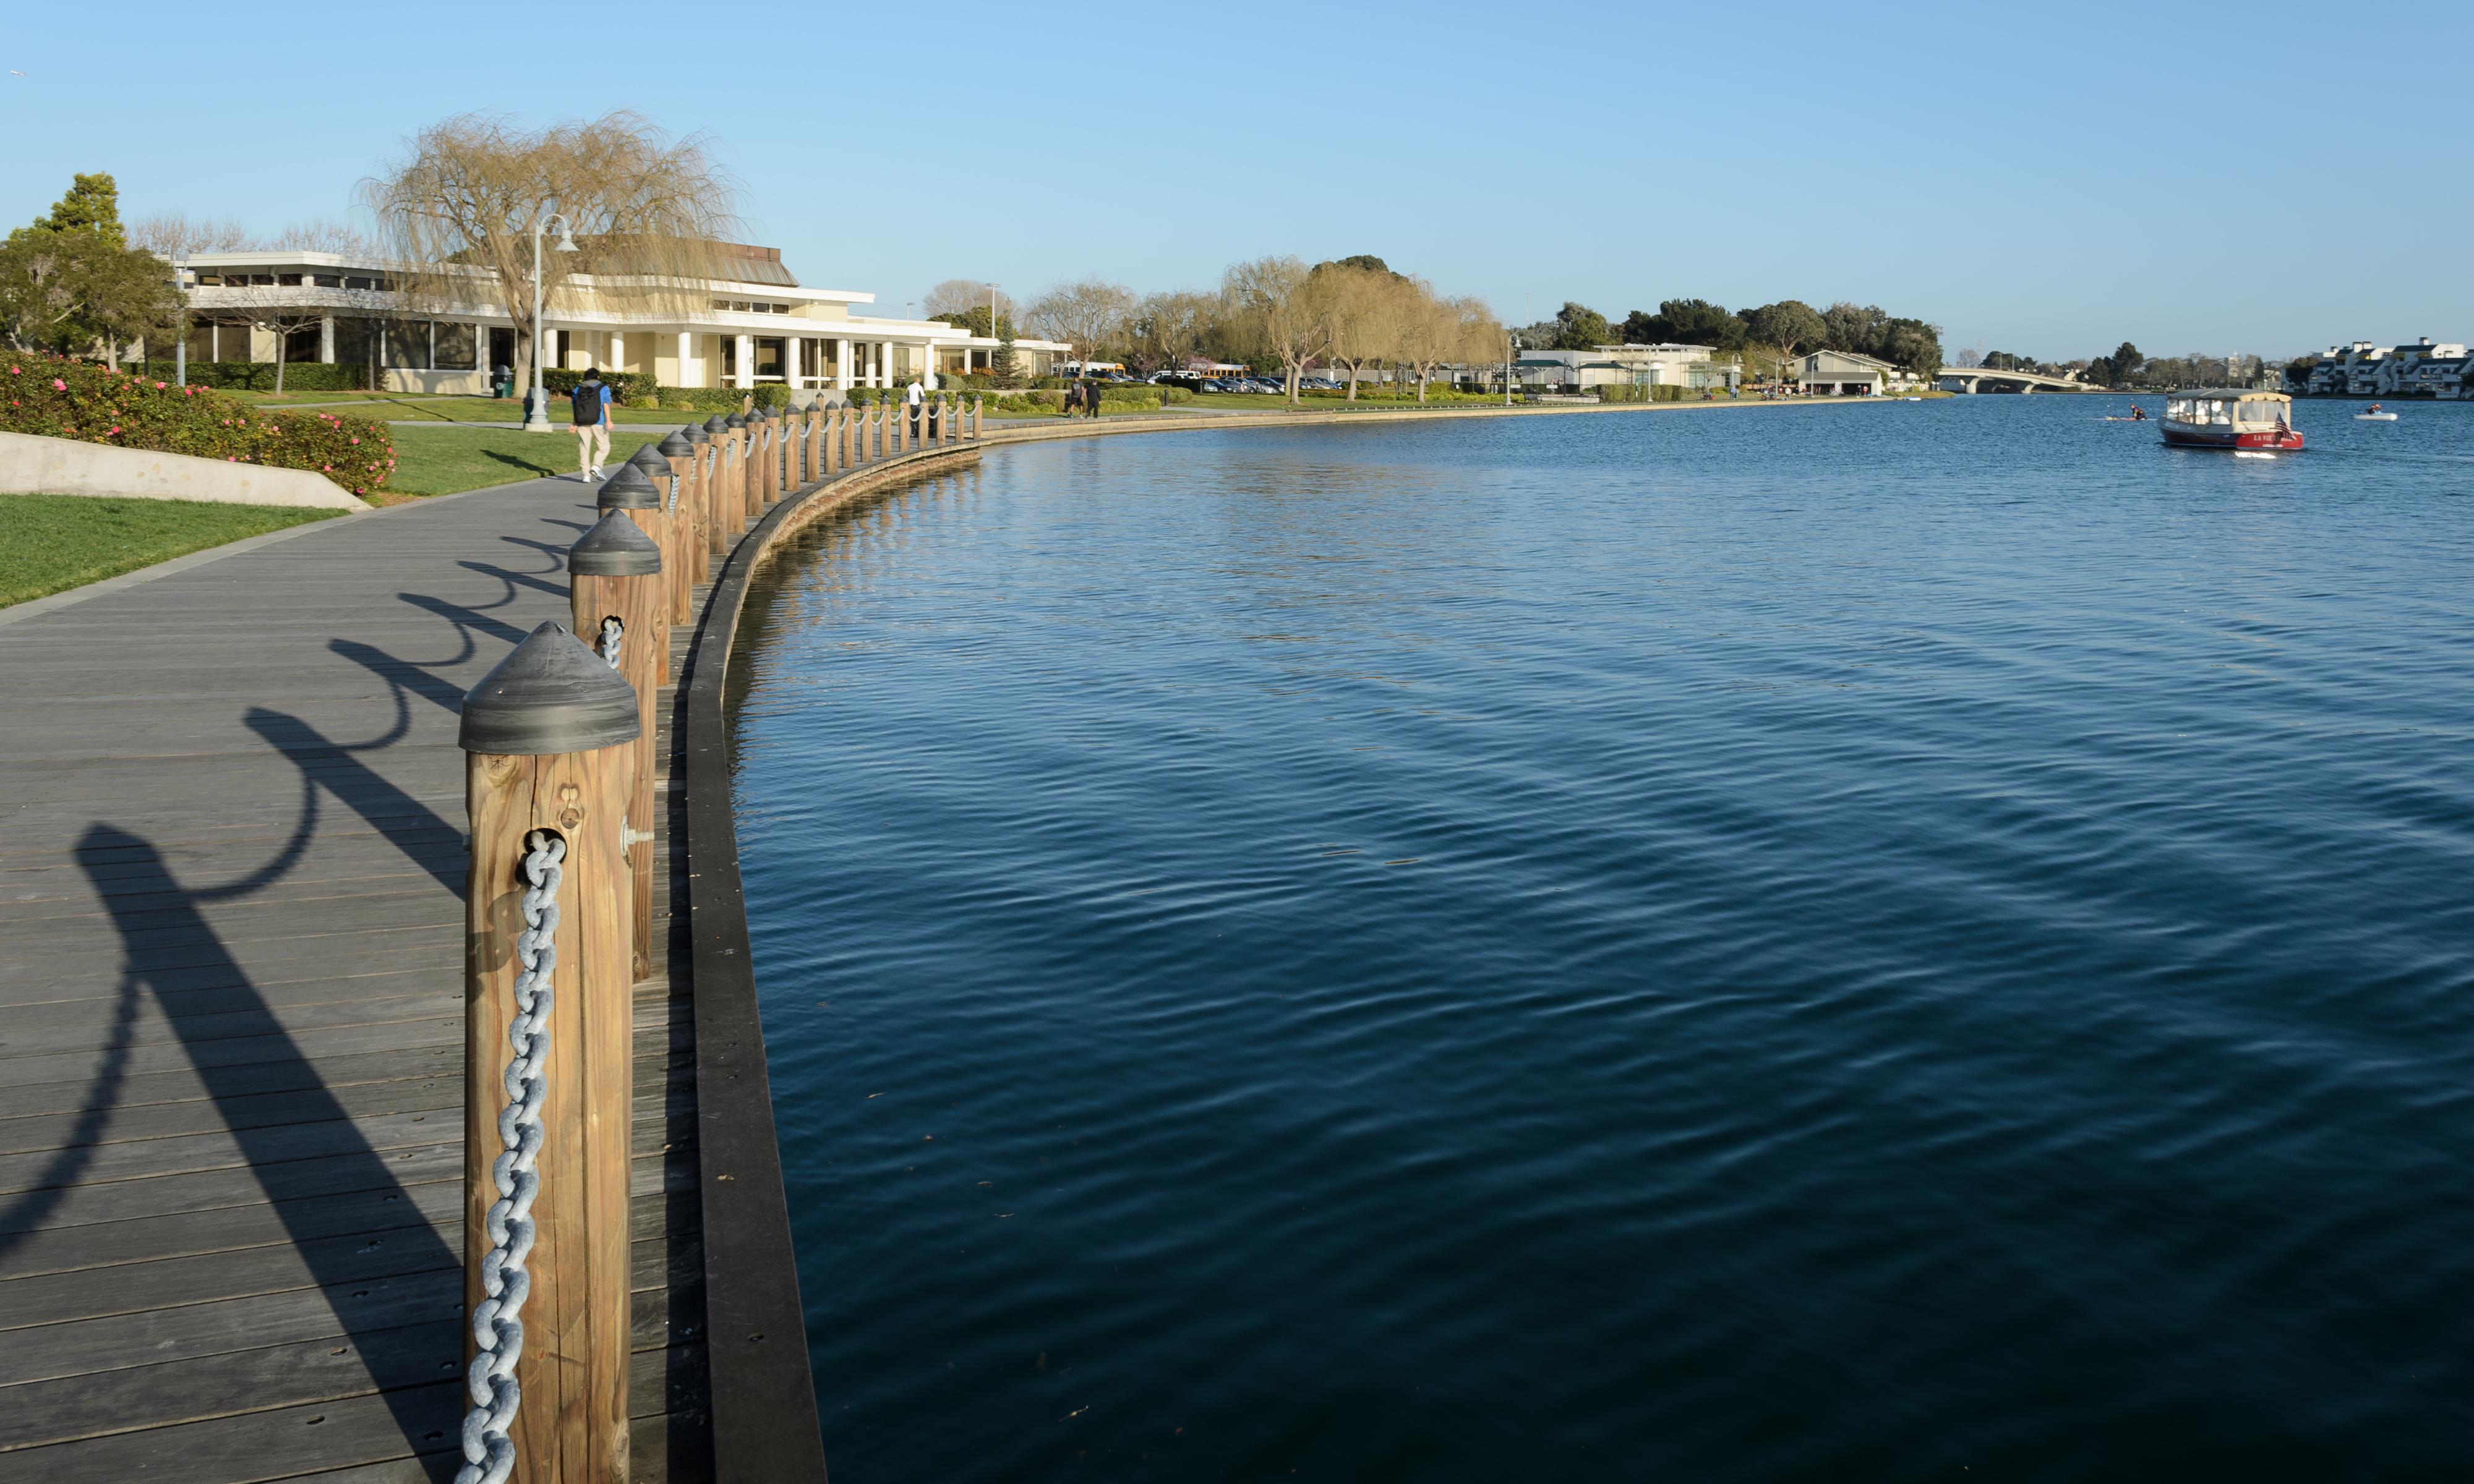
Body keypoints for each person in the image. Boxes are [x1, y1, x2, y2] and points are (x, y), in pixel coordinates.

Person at [571, 367, 611, 481]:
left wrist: (574, 423)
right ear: (597, 377)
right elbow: (606, 404)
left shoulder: (578, 388)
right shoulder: (603, 388)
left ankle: (586, 475)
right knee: (604, 446)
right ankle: (597, 466)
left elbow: (575, 406)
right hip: (598, 422)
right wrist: (608, 420)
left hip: (582, 422)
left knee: (584, 448)